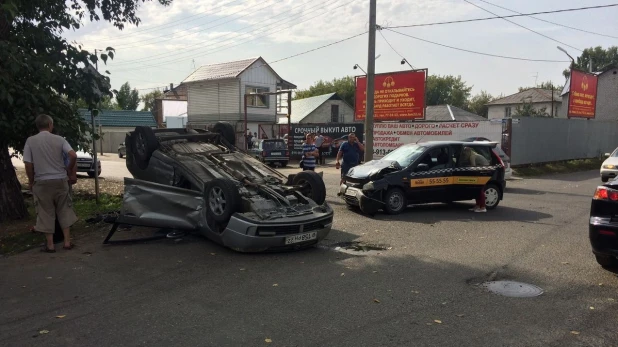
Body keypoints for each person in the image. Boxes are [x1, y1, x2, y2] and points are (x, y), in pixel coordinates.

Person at [24, 114, 78, 252]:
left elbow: (28, 164)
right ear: (50, 125)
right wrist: (69, 169)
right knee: (64, 209)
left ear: (38, 126)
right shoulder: (60, 139)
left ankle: (50, 245)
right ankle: (67, 242)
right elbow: (73, 155)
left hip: (41, 182)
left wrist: (31, 181)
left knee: (45, 212)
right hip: (60, 180)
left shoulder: (30, 141)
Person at [461, 147, 490, 213]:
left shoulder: (472, 157)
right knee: (477, 190)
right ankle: (477, 205)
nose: (465, 155)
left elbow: (473, 167)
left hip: (484, 172)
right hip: (482, 171)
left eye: (465, 153)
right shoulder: (473, 154)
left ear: (468, 152)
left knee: (480, 190)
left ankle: (483, 207)